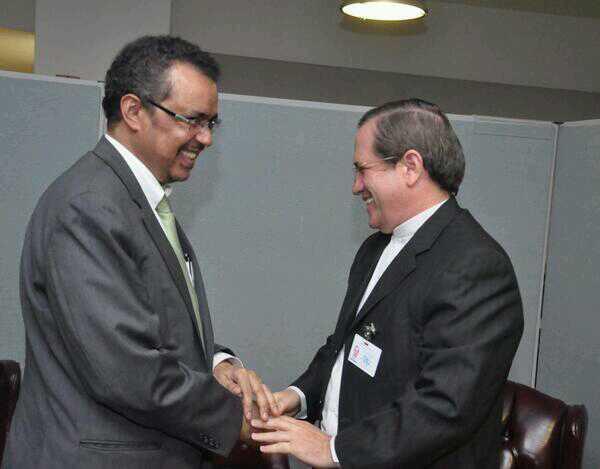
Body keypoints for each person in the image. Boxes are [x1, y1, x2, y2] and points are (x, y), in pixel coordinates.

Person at [3, 36, 279, 469]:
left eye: (212, 123)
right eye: (193, 120)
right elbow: (127, 370)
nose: (206, 138)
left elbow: (156, 325)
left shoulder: (134, 200)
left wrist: (215, 363)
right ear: (133, 110)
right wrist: (242, 421)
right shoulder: (90, 206)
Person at [252, 99, 524, 468]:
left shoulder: (476, 265)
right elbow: (345, 345)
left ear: (410, 167)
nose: (355, 186)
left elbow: (445, 406)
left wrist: (333, 450)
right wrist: (298, 396)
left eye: (362, 170)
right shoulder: (375, 248)